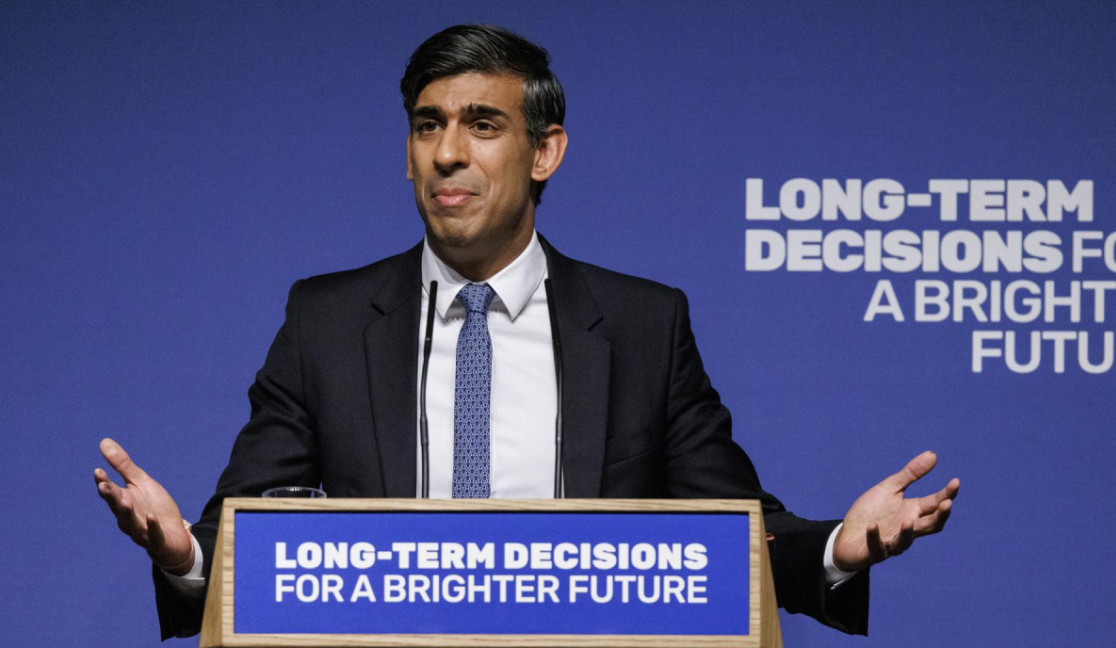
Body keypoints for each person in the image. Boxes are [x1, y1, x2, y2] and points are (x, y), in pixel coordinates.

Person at [95, 24, 958, 640]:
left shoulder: (641, 325)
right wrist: (185, 557)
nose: (446, 153)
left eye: (483, 124)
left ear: (545, 152)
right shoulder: (324, 321)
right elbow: (247, 539)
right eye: (427, 125)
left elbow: (730, 531)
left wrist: (837, 550)